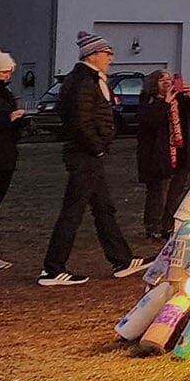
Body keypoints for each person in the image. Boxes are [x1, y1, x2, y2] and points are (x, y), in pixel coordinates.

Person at [40, 32, 148, 286]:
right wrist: (97, 146)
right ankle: (53, 269)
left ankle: (121, 259)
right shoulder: (83, 81)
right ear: (93, 55)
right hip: (85, 155)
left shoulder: (87, 79)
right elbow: (80, 120)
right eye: (106, 53)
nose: (111, 57)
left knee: (103, 208)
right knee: (73, 212)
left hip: (89, 155)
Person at [136, 70, 189, 243]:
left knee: (175, 193)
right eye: (162, 80)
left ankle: (168, 225)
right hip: (157, 156)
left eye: (169, 79)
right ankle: (153, 227)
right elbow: (151, 121)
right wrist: (165, 103)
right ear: (154, 83)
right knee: (158, 193)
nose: (167, 82)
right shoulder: (148, 101)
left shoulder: (177, 101)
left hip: (178, 154)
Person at [0, 50, 21, 271]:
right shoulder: (4, 95)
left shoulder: (6, 94)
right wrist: (8, 119)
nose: (7, 75)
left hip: (5, 156)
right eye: (4, 71)